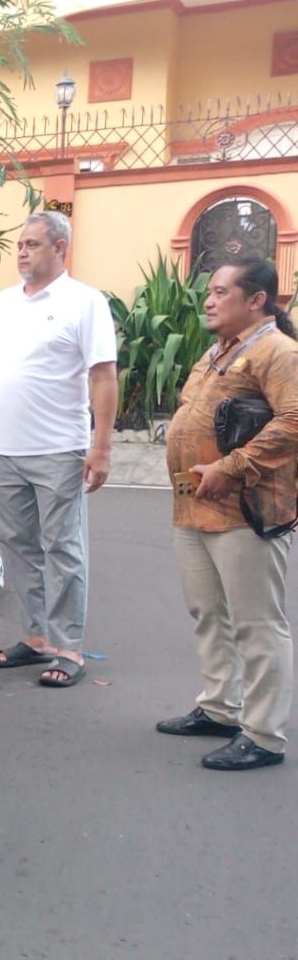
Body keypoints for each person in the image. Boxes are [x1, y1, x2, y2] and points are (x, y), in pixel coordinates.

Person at [0, 210, 118, 689]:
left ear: (59, 249)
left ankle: (68, 646)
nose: (22, 251)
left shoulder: (84, 303)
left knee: (63, 548)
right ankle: (36, 638)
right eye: (20, 245)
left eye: (32, 244)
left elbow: (104, 376)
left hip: (59, 449)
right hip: (7, 450)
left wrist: (101, 447)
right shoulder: (5, 303)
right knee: (18, 547)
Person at [156, 259, 298, 770]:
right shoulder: (219, 352)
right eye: (208, 292)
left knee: (257, 624)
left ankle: (263, 735)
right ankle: (220, 708)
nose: (208, 301)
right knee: (209, 613)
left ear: (256, 299)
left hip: (246, 508)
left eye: (220, 292)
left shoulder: (278, 351)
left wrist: (232, 467)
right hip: (194, 505)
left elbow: (294, 419)